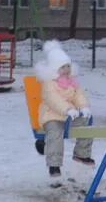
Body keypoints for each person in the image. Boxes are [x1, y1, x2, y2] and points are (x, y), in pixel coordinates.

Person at [33, 40, 95, 177]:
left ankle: (82, 154)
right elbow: (53, 100)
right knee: (55, 133)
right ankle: (54, 164)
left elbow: (78, 95)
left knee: (86, 122)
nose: (66, 70)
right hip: (52, 115)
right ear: (54, 69)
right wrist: (67, 109)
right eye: (62, 67)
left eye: (68, 66)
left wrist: (83, 107)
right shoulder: (48, 84)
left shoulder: (71, 82)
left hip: (70, 115)